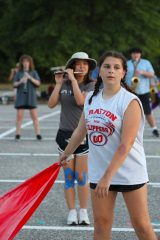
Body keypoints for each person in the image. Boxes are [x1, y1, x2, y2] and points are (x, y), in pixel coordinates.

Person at [59, 51, 158, 240]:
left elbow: (126, 145)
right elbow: (81, 131)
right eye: (107, 66)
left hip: (129, 171)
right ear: (99, 72)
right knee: (101, 226)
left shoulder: (130, 101)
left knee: (142, 226)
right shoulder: (90, 98)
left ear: (123, 73)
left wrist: (107, 177)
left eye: (116, 67)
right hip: (100, 171)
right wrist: (67, 153)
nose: (111, 70)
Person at [48, 52, 97, 225]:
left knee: (82, 176)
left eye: (85, 64)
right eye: (78, 64)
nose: (82, 66)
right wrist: (59, 83)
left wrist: (74, 82)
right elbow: (51, 103)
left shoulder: (92, 85)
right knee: (69, 176)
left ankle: (83, 211)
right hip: (64, 135)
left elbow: (80, 102)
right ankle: (71, 212)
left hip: (84, 136)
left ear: (89, 67)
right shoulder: (65, 83)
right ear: (72, 66)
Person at [125, 47, 159, 137]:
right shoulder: (127, 64)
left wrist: (143, 72)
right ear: (131, 54)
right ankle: (131, 130)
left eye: (137, 53)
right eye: (134, 53)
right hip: (131, 90)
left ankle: (154, 128)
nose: (136, 55)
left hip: (144, 90)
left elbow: (152, 74)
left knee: (147, 110)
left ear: (140, 54)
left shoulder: (146, 62)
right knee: (131, 112)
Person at [13, 54, 42, 140]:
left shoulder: (34, 72)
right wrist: (21, 81)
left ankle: (38, 134)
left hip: (31, 97)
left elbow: (38, 83)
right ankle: (17, 134)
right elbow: (14, 84)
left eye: (27, 61)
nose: (25, 63)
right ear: (21, 63)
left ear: (30, 63)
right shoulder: (18, 73)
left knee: (34, 117)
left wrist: (30, 78)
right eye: (24, 61)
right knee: (19, 116)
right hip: (21, 97)